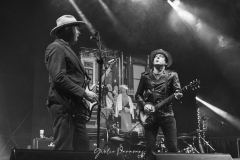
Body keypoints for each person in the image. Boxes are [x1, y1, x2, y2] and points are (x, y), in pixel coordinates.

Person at [45, 15, 98, 150]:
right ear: (68, 29)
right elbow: (59, 77)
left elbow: (71, 78)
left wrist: (84, 90)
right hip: (64, 107)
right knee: (64, 149)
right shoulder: (56, 47)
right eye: (76, 29)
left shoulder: (66, 48)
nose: (79, 32)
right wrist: (84, 93)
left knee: (83, 149)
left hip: (74, 108)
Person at [135, 49, 183, 159]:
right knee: (149, 150)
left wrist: (179, 96)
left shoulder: (172, 75)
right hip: (150, 117)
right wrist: (144, 105)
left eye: (160, 56)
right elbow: (138, 95)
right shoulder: (145, 76)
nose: (157, 57)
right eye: (155, 56)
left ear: (166, 62)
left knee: (172, 148)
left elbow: (178, 92)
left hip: (167, 115)